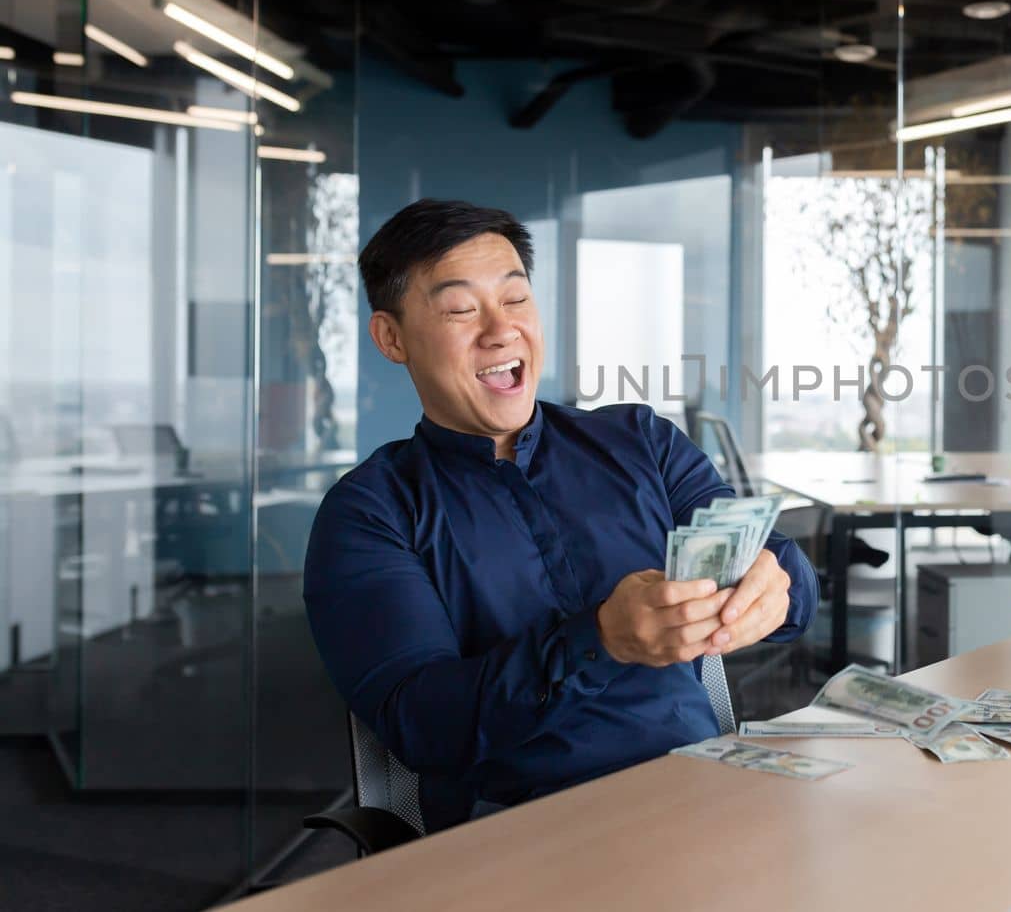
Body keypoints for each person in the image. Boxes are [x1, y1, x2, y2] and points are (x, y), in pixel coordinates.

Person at [304, 199, 818, 829]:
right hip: (519, 832)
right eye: (462, 309)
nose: (500, 330)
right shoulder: (371, 512)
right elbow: (423, 724)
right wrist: (597, 640)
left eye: (515, 300)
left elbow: (786, 578)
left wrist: (776, 585)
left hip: (703, 797)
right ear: (391, 338)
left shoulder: (641, 443)